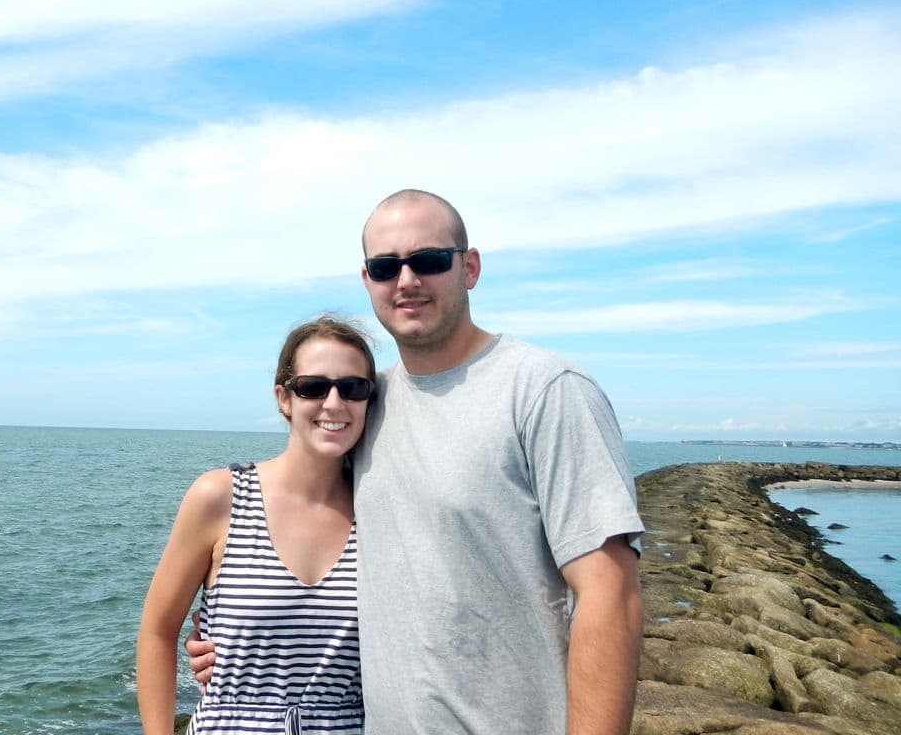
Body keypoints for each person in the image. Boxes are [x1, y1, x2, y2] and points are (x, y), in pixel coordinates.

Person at [190, 190, 645, 735]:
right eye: (386, 266)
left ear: (469, 267)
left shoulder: (545, 391)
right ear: (368, 282)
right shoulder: (364, 403)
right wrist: (237, 643)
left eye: (428, 260)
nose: (406, 280)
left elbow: (610, 592)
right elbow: (311, 525)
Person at [137, 315, 375, 734]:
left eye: (353, 388)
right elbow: (158, 631)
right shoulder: (222, 496)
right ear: (283, 398)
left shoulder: (379, 510)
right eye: (313, 387)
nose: (334, 403)